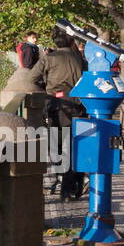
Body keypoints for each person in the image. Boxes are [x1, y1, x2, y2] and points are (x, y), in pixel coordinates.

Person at [42, 29, 86, 200]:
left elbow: (33, 77)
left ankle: (64, 183)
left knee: (57, 148)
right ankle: (74, 184)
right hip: (78, 106)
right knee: (75, 147)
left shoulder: (49, 58)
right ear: (71, 41)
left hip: (56, 106)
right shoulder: (80, 59)